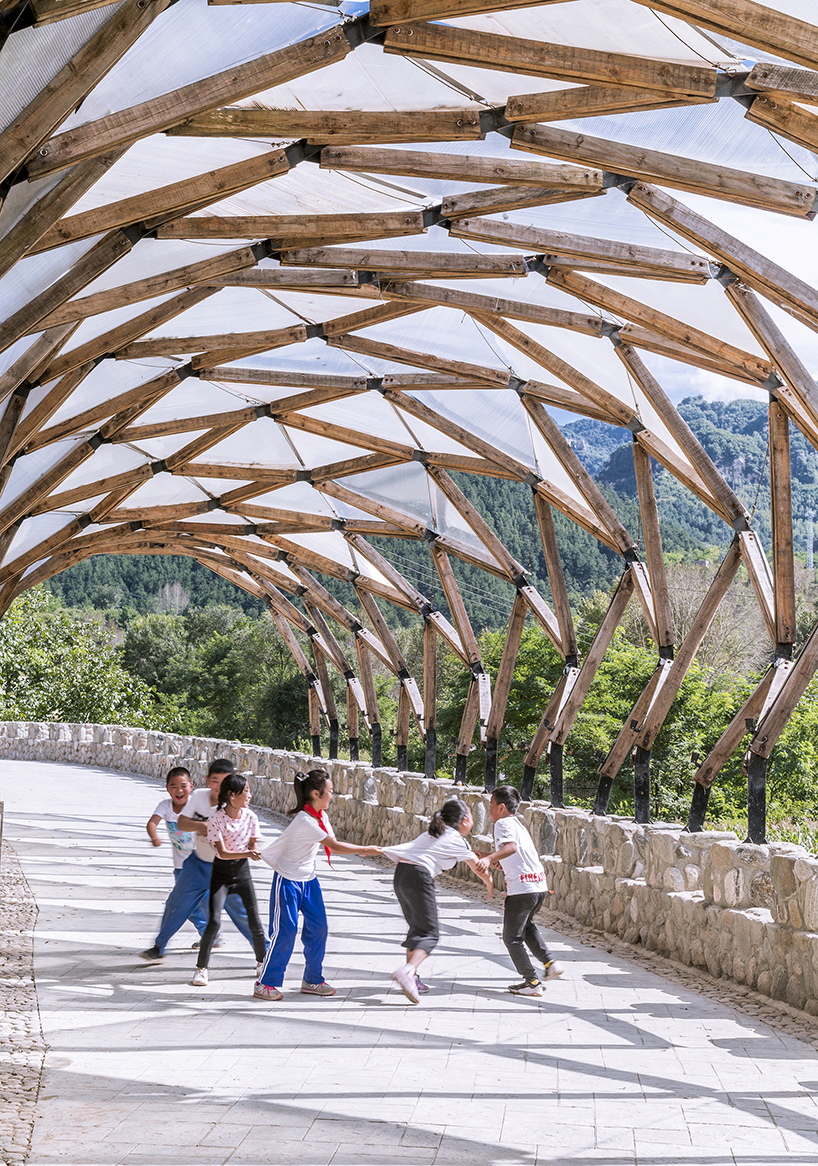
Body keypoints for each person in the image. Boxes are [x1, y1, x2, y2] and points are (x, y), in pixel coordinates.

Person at [255, 768, 381, 1002]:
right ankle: (266, 983)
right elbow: (334, 843)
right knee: (286, 931)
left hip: (309, 881)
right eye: (330, 792)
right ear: (315, 793)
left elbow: (333, 844)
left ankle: (312, 979)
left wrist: (362, 851)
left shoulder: (320, 816)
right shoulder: (305, 820)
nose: (332, 796)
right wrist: (365, 849)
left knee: (319, 928)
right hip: (288, 880)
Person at [140, 759, 254, 961]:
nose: (219, 786)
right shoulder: (199, 797)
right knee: (176, 905)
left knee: (242, 915)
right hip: (198, 864)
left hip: (227, 868)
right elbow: (182, 822)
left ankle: (266, 953)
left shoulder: (237, 806)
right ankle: (159, 946)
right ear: (207, 780)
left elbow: (247, 838)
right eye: (215, 780)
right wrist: (202, 826)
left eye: (225, 781)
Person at [382, 797, 493, 1005]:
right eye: (469, 815)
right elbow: (478, 868)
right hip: (418, 876)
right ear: (464, 821)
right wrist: (490, 886)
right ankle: (407, 971)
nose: (471, 820)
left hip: (401, 874)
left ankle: (412, 978)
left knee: (417, 928)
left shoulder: (434, 832)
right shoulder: (456, 839)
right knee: (430, 933)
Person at [481, 784, 564, 997]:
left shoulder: (502, 824)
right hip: (539, 887)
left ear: (501, 807)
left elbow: (511, 848)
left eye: (491, 805)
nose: (489, 810)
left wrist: (490, 858)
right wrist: (494, 860)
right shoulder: (518, 824)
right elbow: (514, 855)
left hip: (522, 889)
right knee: (526, 927)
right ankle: (550, 964)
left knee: (511, 938)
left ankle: (532, 982)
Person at [191, 773, 268, 987]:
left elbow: (253, 844)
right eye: (246, 791)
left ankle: (262, 963)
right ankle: (201, 969)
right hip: (221, 875)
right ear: (232, 796)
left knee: (255, 921)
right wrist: (247, 853)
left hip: (243, 874)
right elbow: (223, 853)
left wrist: (255, 850)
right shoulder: (215, 820)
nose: (250, 795)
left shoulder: (251, 817)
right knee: (214, 921)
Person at [144, 766, 207, 948]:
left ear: (191, 786)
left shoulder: (195, 806)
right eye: (173, 786)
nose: (178, 790)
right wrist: (154, 837)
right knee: (190, 906)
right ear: (167, 788)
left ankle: (209, 934)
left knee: (197, 902)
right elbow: (152, 822)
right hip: (181, 866)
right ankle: (209, 934)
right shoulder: (165, 806)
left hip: (199, 863)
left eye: (183, 785)